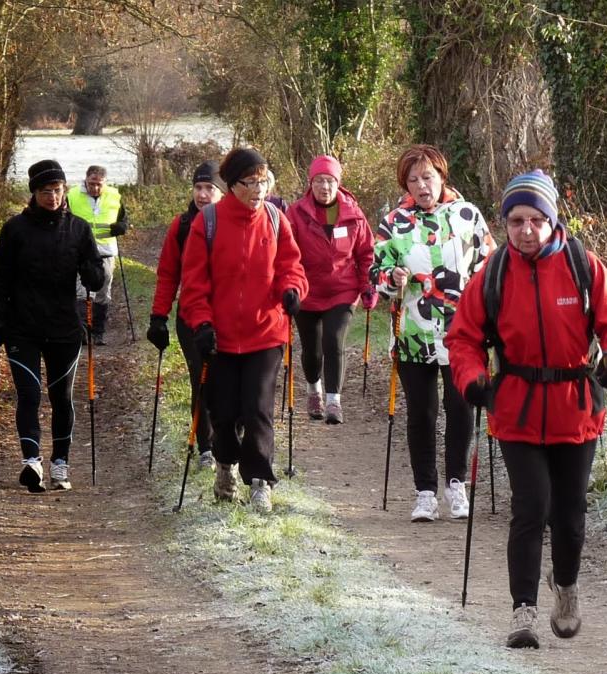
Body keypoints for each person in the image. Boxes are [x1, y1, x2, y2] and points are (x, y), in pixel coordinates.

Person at [447, 169, 607, 649]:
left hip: (577, 408)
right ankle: (523, 609)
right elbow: (463, 339)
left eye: (536, 219)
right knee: (530, 506)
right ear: (505, 223)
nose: (526, 230)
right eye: (516, 220)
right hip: (516, 408)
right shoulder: (492, 274)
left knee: (570, 514)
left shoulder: (583, 266)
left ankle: (567, 585)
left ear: (553, 221)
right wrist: (472, 380)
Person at [179, 147, 308, 513]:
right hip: (219, 335)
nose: (258, 189)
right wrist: (201, 323)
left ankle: (260, 480)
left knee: (258, 409)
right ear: (231, 185)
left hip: (266, 331)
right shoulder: (208, 223)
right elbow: (194, 283)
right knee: (223, 412)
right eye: (249, 183)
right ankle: (224, 463)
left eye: (263, 181)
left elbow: (292, 266)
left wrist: (293, 290)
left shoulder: (275, 219)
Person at [373, 144, 494, 521]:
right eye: (413, 180)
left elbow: (490, 267)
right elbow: (376, 278)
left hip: (462, 332)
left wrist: (490, 314)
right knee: (421, 413)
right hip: (414, 331)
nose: (422, 186)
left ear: (442, 176)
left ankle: (456, 484)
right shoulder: (393, 223)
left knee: (460, 406)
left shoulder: (467, 215)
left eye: (428, 177)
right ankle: (425, 491)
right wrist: (392, 279)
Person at [0, 159, 105, 491]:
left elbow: (95, 278)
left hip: (64, 327)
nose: (52, 197)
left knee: (61, 397)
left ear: (64, 190)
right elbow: (1, 278)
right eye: (44, 191)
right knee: (28, 393)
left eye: (56, 190)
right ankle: (32, 461)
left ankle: (60, 464)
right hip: (21, 327)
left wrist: (91, 267)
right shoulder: (15, 229)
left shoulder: (79, 229)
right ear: (33, 193)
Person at [285, 155, 376, 425]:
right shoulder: (296, 213)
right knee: (312, 349)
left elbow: (366, 255)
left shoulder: (354, 215)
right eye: (320, 181)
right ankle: (314, 392)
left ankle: (334, 401)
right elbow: (286, 254)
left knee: (333, 341)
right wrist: (289, 286)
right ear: (311, 183)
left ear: (338, 183)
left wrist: (368, 287)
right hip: (307, 291)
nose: (325, 187)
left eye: (330, 181)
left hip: (342, 290)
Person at [148, 160, 224, 468]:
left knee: (228, 381)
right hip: (191, 317)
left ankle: (230, 439)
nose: (203, 195)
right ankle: (206, 447)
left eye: (210, 188)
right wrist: (158, 317)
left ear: (223, 191)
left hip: (229, 316)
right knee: (202, 379)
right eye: (198, 187)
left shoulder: (230, 223)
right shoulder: (181, 225)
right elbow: (168, 274)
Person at [67, 164, 128, 345]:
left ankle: (98, 332)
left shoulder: (114, 197)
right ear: (86, 180)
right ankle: (83, 332)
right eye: (92, 183)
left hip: (106, 252)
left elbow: (123, 219)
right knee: (82, 292)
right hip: (81, 252)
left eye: (99, 184)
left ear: (105, 183)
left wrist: (122, 227)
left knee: (103, 292)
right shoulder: (72, 196)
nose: (95, 187)